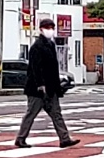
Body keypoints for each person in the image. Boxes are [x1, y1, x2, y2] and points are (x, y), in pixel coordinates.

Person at [16, 19, 79, 149]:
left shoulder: (50, 45)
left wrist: (58, 87)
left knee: (56, 113)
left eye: (51, 27)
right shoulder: (36, 47)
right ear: (41, 29)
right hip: (37, 89)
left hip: (51, 89)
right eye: (47, 27)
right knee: (31, 113)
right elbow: (35, 68)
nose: (50, 30)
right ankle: (20, 138)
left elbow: (53, 69)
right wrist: (40, 85)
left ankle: (64, 138)